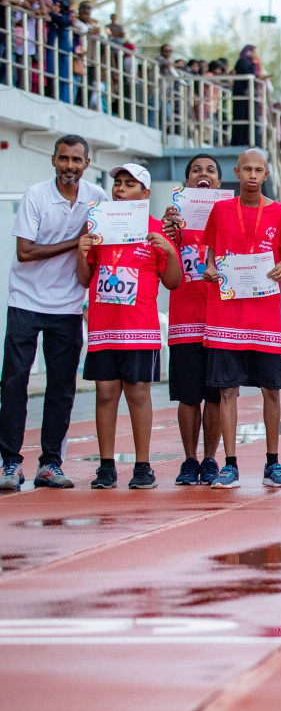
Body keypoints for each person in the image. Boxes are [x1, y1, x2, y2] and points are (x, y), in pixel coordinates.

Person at [0, 136, 107, 490]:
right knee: (14, 383)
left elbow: (123, 229)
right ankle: (10, 464)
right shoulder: (36, 195)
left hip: (68, 306)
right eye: (63, 159)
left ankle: (50, 464)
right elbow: (25, 252)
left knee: (61, 388)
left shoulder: (98, 198)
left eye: (76, 160)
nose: (69, 166)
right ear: (53, 160)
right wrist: (75, 243)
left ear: (87, 164)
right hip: (26, 302)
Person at [76, 163, 183, 489]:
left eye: (129, 184)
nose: (120, 189)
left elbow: (173, 283)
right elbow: (84, 278)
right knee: (106, 392)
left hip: (140, 327)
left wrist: (170, 251)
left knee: (138, 393)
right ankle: (106, 466)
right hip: (104, 327)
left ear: (145, 194)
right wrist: (82, 253)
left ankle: (142, 465)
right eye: (117, 183)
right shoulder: (97, 228)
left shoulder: (156, 230)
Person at [201, 149, 281, 488]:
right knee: (227, 391)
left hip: (264, 317)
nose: (252, 176)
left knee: (271, 390)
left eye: (259, 170)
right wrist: (210, 268)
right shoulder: (220, 209)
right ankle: (230, 464)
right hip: (226, 315)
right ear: (237, 171)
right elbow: (210, 250)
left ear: (267, 173)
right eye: (247, 169)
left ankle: (273, 463)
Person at [159, 153, 226, 485]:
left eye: (210, 170)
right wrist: (166, 231)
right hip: (184, 320)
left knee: (215, 396)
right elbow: (162, 266)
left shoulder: (229, 216)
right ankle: (189, 460)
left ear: (219, 182)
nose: (204, 174)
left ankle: (211, 459)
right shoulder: (174, 223)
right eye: (196, 170)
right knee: (188, 396)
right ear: (186, 182)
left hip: (220, 322)